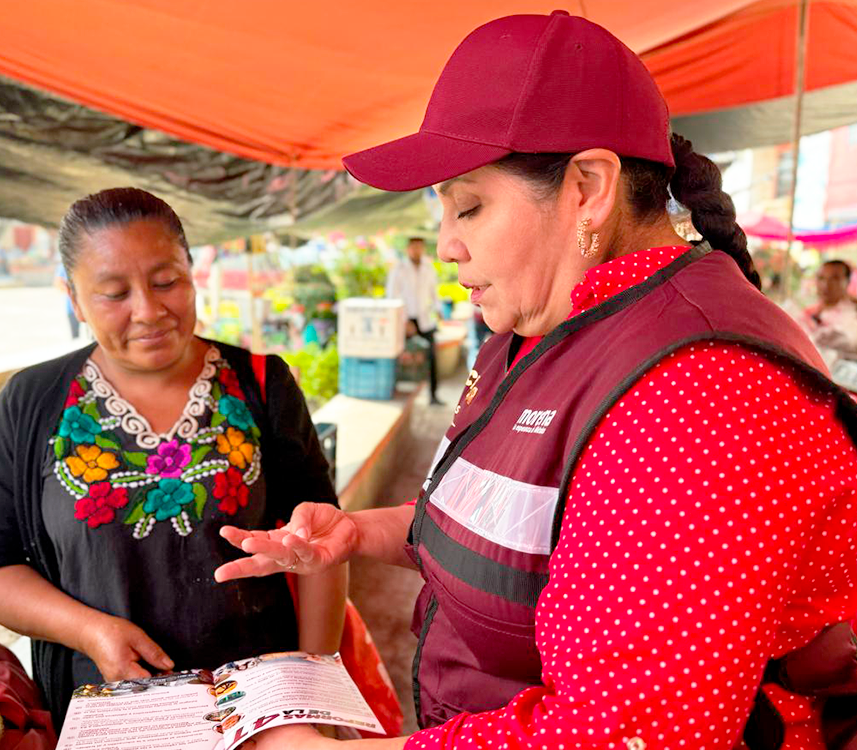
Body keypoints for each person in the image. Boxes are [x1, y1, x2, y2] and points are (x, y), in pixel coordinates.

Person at [215, 12, 857, 750]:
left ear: (587, 187)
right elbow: (512, 527)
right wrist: (363, 531)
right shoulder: (538, 328)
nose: (448, 245)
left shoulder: (703, 393)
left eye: (470, 206)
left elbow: (618, 736)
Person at [0, 188, 348, 731]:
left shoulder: (260, 383)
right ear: (73, 298)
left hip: (258, 708)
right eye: (114, 293)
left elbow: (324, 541)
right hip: (107, 710)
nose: (148, 311)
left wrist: (314, 688)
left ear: (190, 271)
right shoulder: (32, 401)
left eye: (166, 282)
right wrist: (90, 631)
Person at [386, 238, 442, 405]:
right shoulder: (398, 269)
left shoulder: (428, 267)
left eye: (419, 247)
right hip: (405, 319)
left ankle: (433, 396)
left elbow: (434, 292)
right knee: (397, 355)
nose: (416, 251)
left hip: (425, 319)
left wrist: (438, 310)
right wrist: (404, 321)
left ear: (423, 248)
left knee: (432, 356)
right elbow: (392, 296)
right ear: (408, 249)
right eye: (413, 247)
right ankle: (393, 390)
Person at [802, 260, 857, 365]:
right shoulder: (807, 312)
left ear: (847, 281)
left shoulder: (853, 313)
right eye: (821, 278)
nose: (826, 284)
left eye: (835, 278)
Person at [53, 261, 81, 339]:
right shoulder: (63, 265)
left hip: (88, 308)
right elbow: (59, 282)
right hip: (72, 308)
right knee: (75, 337)